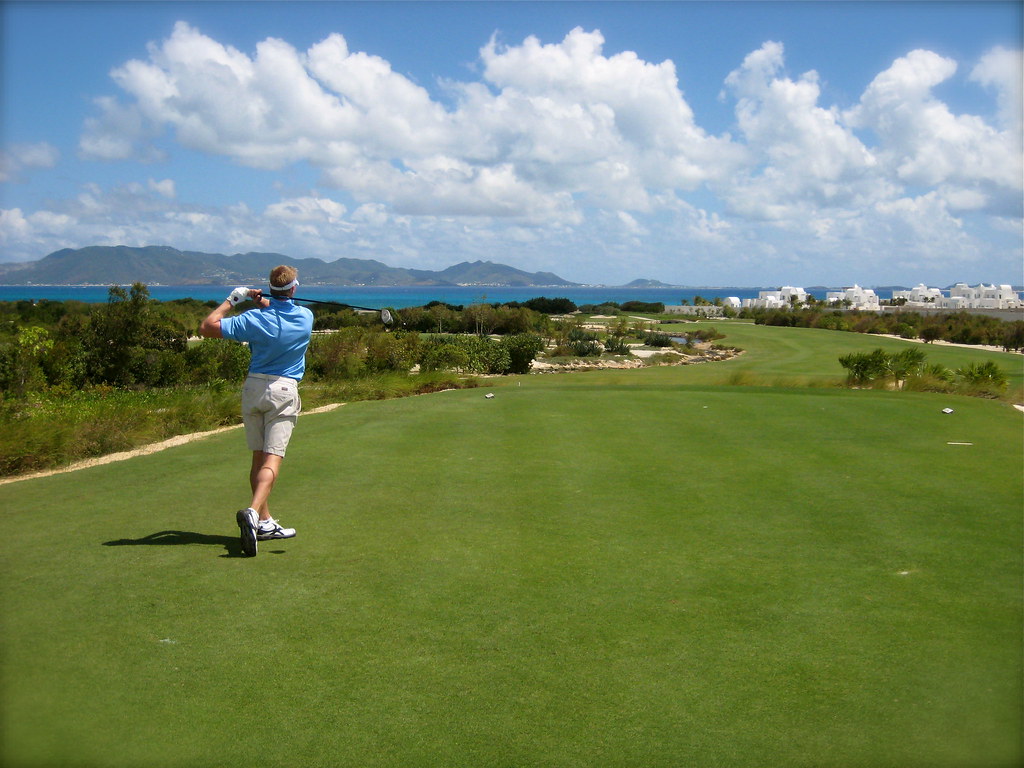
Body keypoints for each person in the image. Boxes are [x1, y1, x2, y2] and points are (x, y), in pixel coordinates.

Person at [199, 265, 314, 557]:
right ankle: (252, 512)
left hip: (253, 389)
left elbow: (207, 327)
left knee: (257, 457)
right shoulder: (305, 317)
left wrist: (233, 301)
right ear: (294, 289)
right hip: (283, 392)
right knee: (271, 462)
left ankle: (264, 522)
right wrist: (263, 300)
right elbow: (281, 308)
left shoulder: (252, 319)